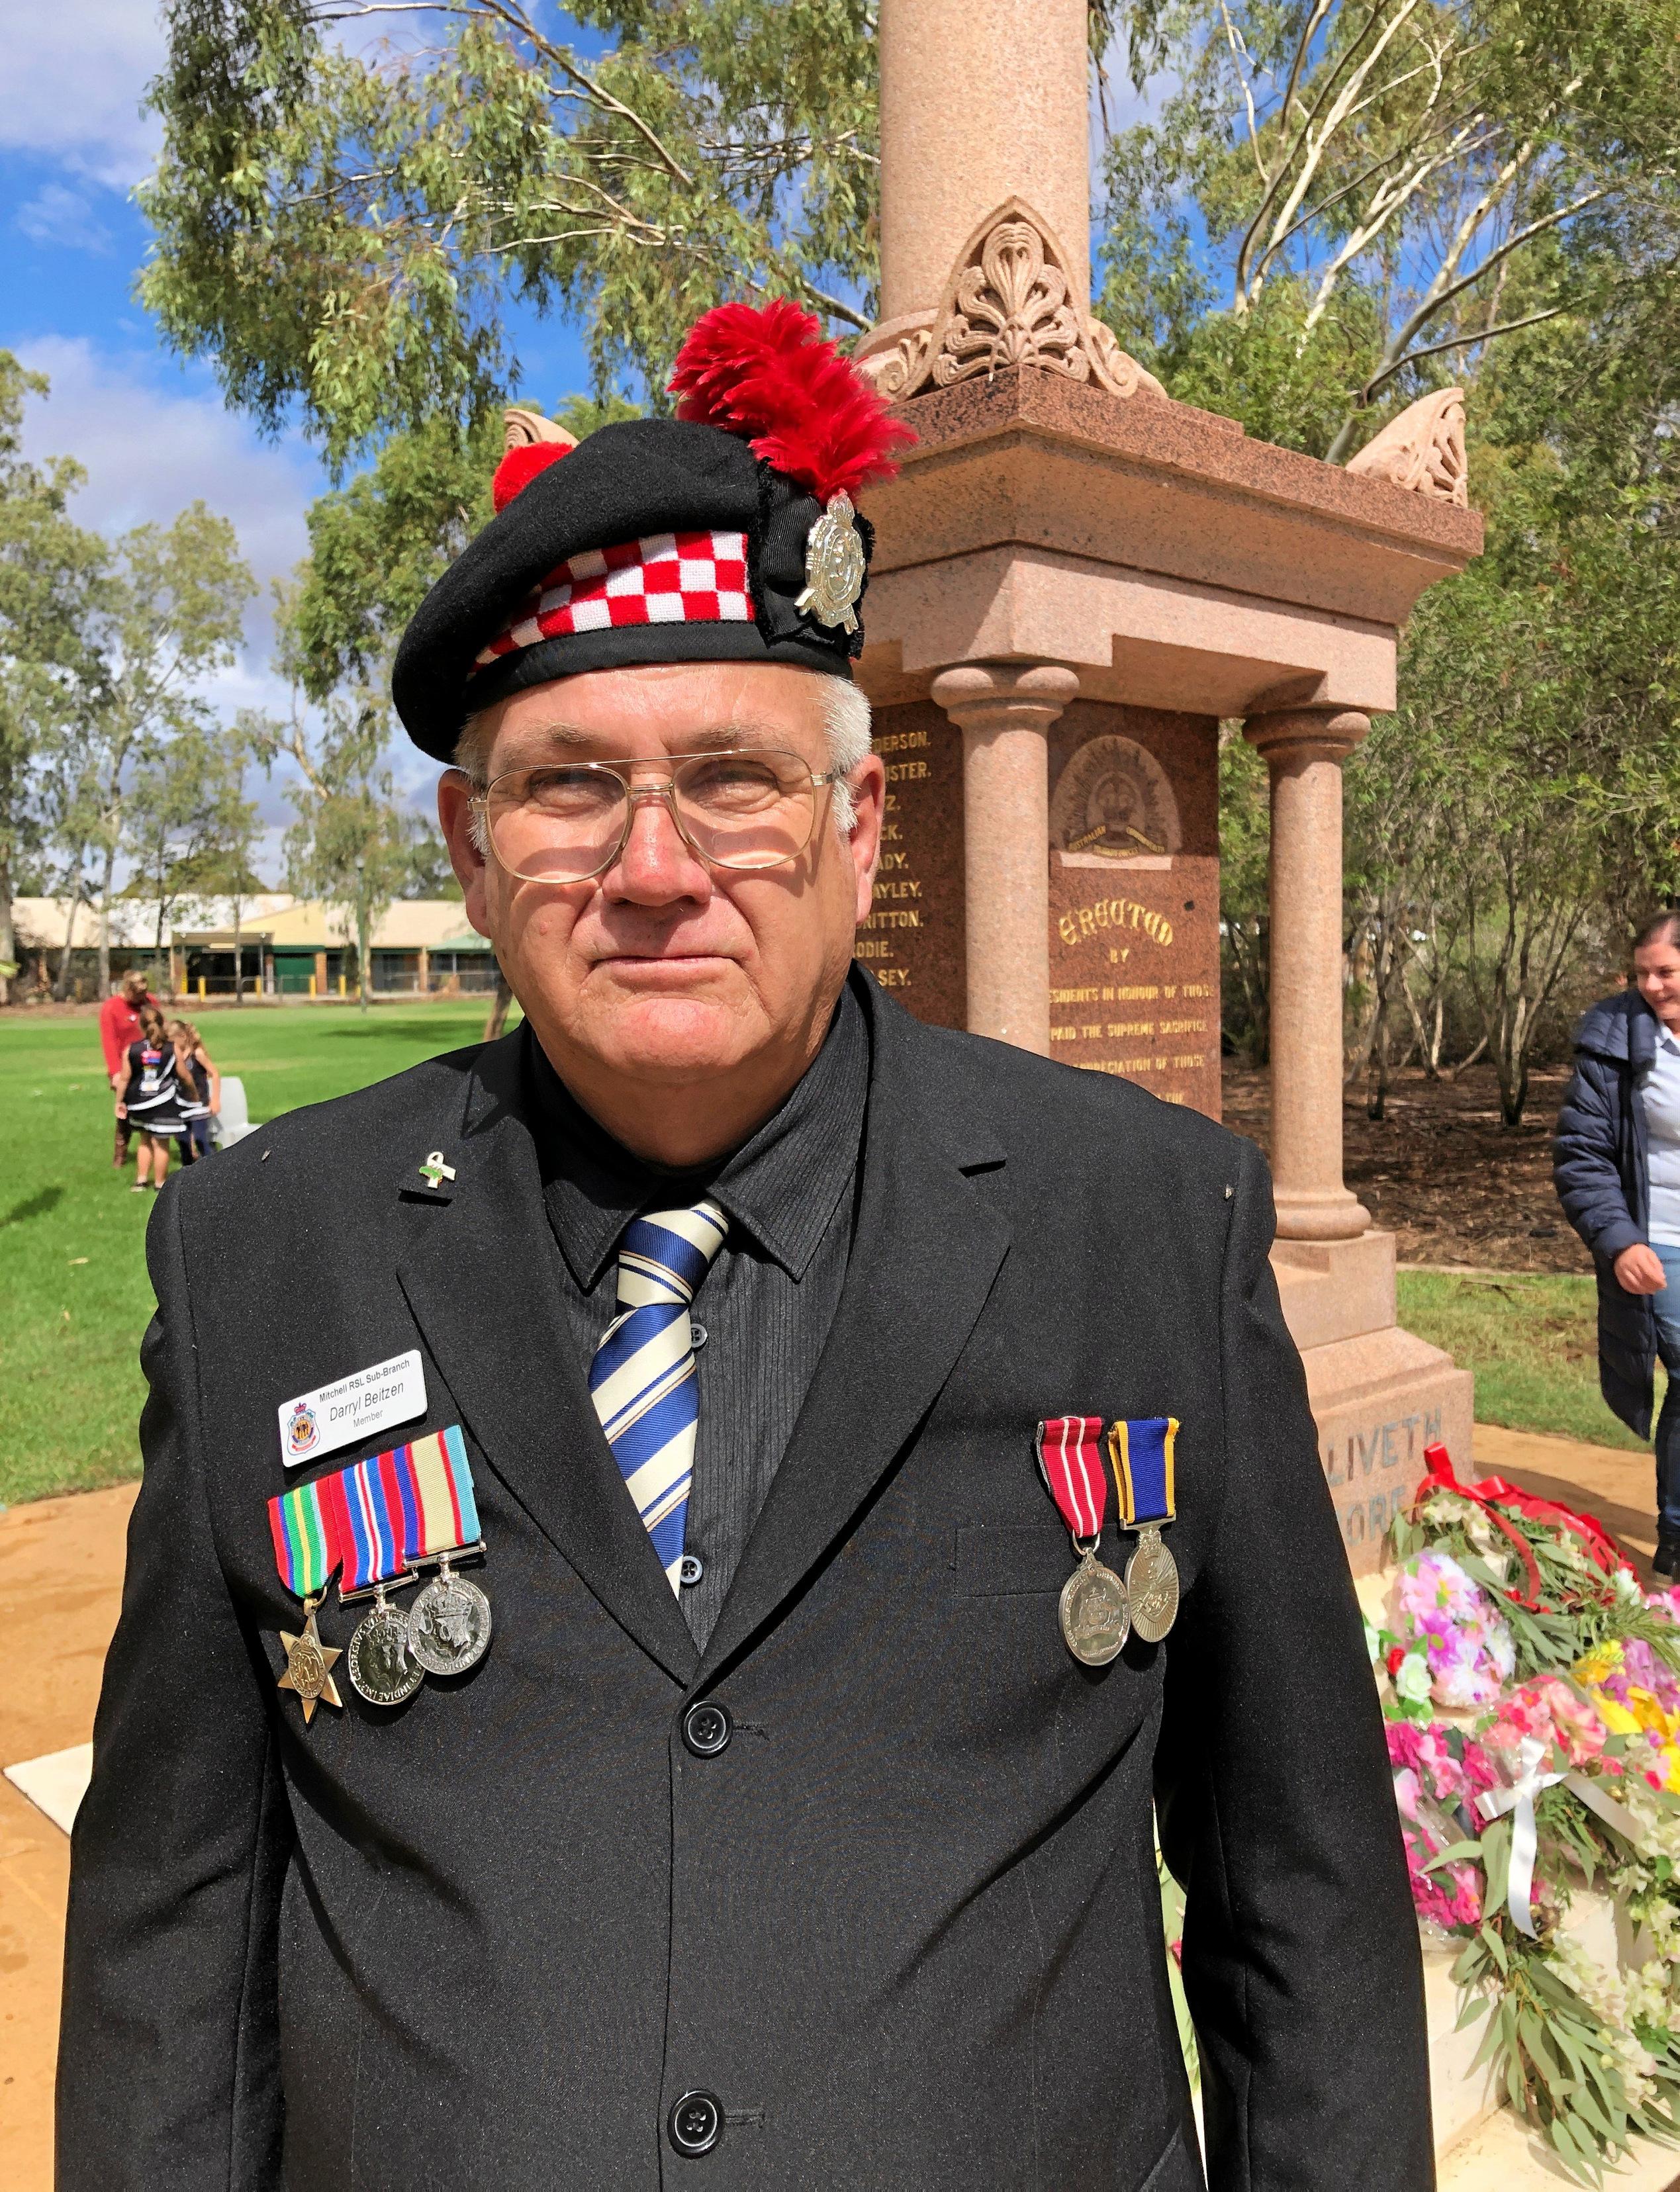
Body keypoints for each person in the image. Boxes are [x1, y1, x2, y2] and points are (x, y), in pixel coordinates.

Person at [59, 303, 1428, 2192]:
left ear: (859, 824)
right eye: (567, 784)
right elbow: (170, 1933)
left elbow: (1306, 1903)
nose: (650, 865)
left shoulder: (1139, 1223)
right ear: (470, 846)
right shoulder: (261, 1256)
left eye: (732, 777)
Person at [1556, 909, 1680, 1575]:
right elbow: (1583, 1155)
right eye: (1643, 973)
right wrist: (1620, 1239)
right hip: (1663, 1245)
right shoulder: (1616, 1037)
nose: (1653, 986)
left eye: (1667, 972)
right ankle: (1677, 1543)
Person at [115, 1004, 185, 1193]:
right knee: (161, 1142)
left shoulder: (132, 1049)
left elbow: (124, 1078)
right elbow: (183, 1075)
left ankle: (141, 1180)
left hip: (139, 1103)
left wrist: (119, 1102)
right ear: (162, 1023)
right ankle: (160, 1182)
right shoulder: (172, 1049)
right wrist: (192, 1093)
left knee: (145, 1140)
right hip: (163, 1102)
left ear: (141, 1026)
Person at [99, 969, 158, 1168]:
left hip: (151, 1065)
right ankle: (120, 1155)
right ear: (128, 990)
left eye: (144, 993)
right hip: (125, 1068)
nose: (143, 998)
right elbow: (109, 1041)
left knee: (155, 1106)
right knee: (125, 1111)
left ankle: (163, 1147)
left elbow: (161, 1029)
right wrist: (115, 1072)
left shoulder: (150, 1003)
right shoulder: (112, 1008)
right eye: (138, 994)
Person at [168, 1017, 220, 1164]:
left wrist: (215, 1100)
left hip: (200, 1106)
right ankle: (187, 1174)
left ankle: (212, 1168)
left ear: (183, 1037)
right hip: (181, 1106)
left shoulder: (197, 1054)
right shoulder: (174, 1057)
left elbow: (215, 1074)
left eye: (172, 1041)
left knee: (200, 1139)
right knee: (184, 1142)